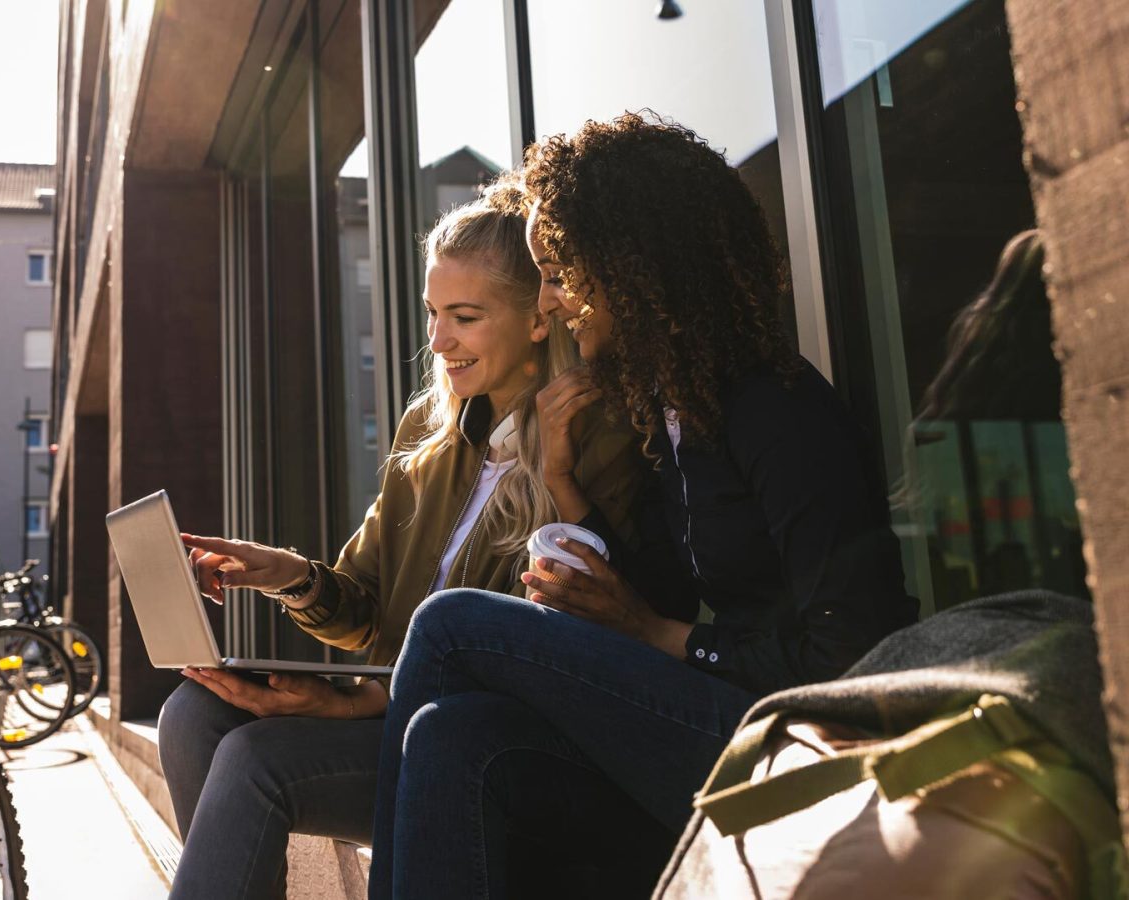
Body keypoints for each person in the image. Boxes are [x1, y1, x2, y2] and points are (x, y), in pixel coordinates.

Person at [367, 113, 917, 899]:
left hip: (798, 745)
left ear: (631, 267)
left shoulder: (775, 408)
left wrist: (664, 635)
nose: (551, 304)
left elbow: (851, 651)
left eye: (560, 274)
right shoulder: (671, 410)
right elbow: (648, 593)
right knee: (454, 736)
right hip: (708, 722)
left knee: (449, 624)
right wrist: (562, 483)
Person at [157, 177, 646, 900]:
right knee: (191, 713)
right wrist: (284, 573)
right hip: (386, 715)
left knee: (255, 758)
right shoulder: (432, 432)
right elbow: (365, 608)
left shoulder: (599, 441)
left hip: (471, 742)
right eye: (433, 314)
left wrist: (350, 705)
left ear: (538, 319)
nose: (439, 341)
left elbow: (539, 661)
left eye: (465, 317)